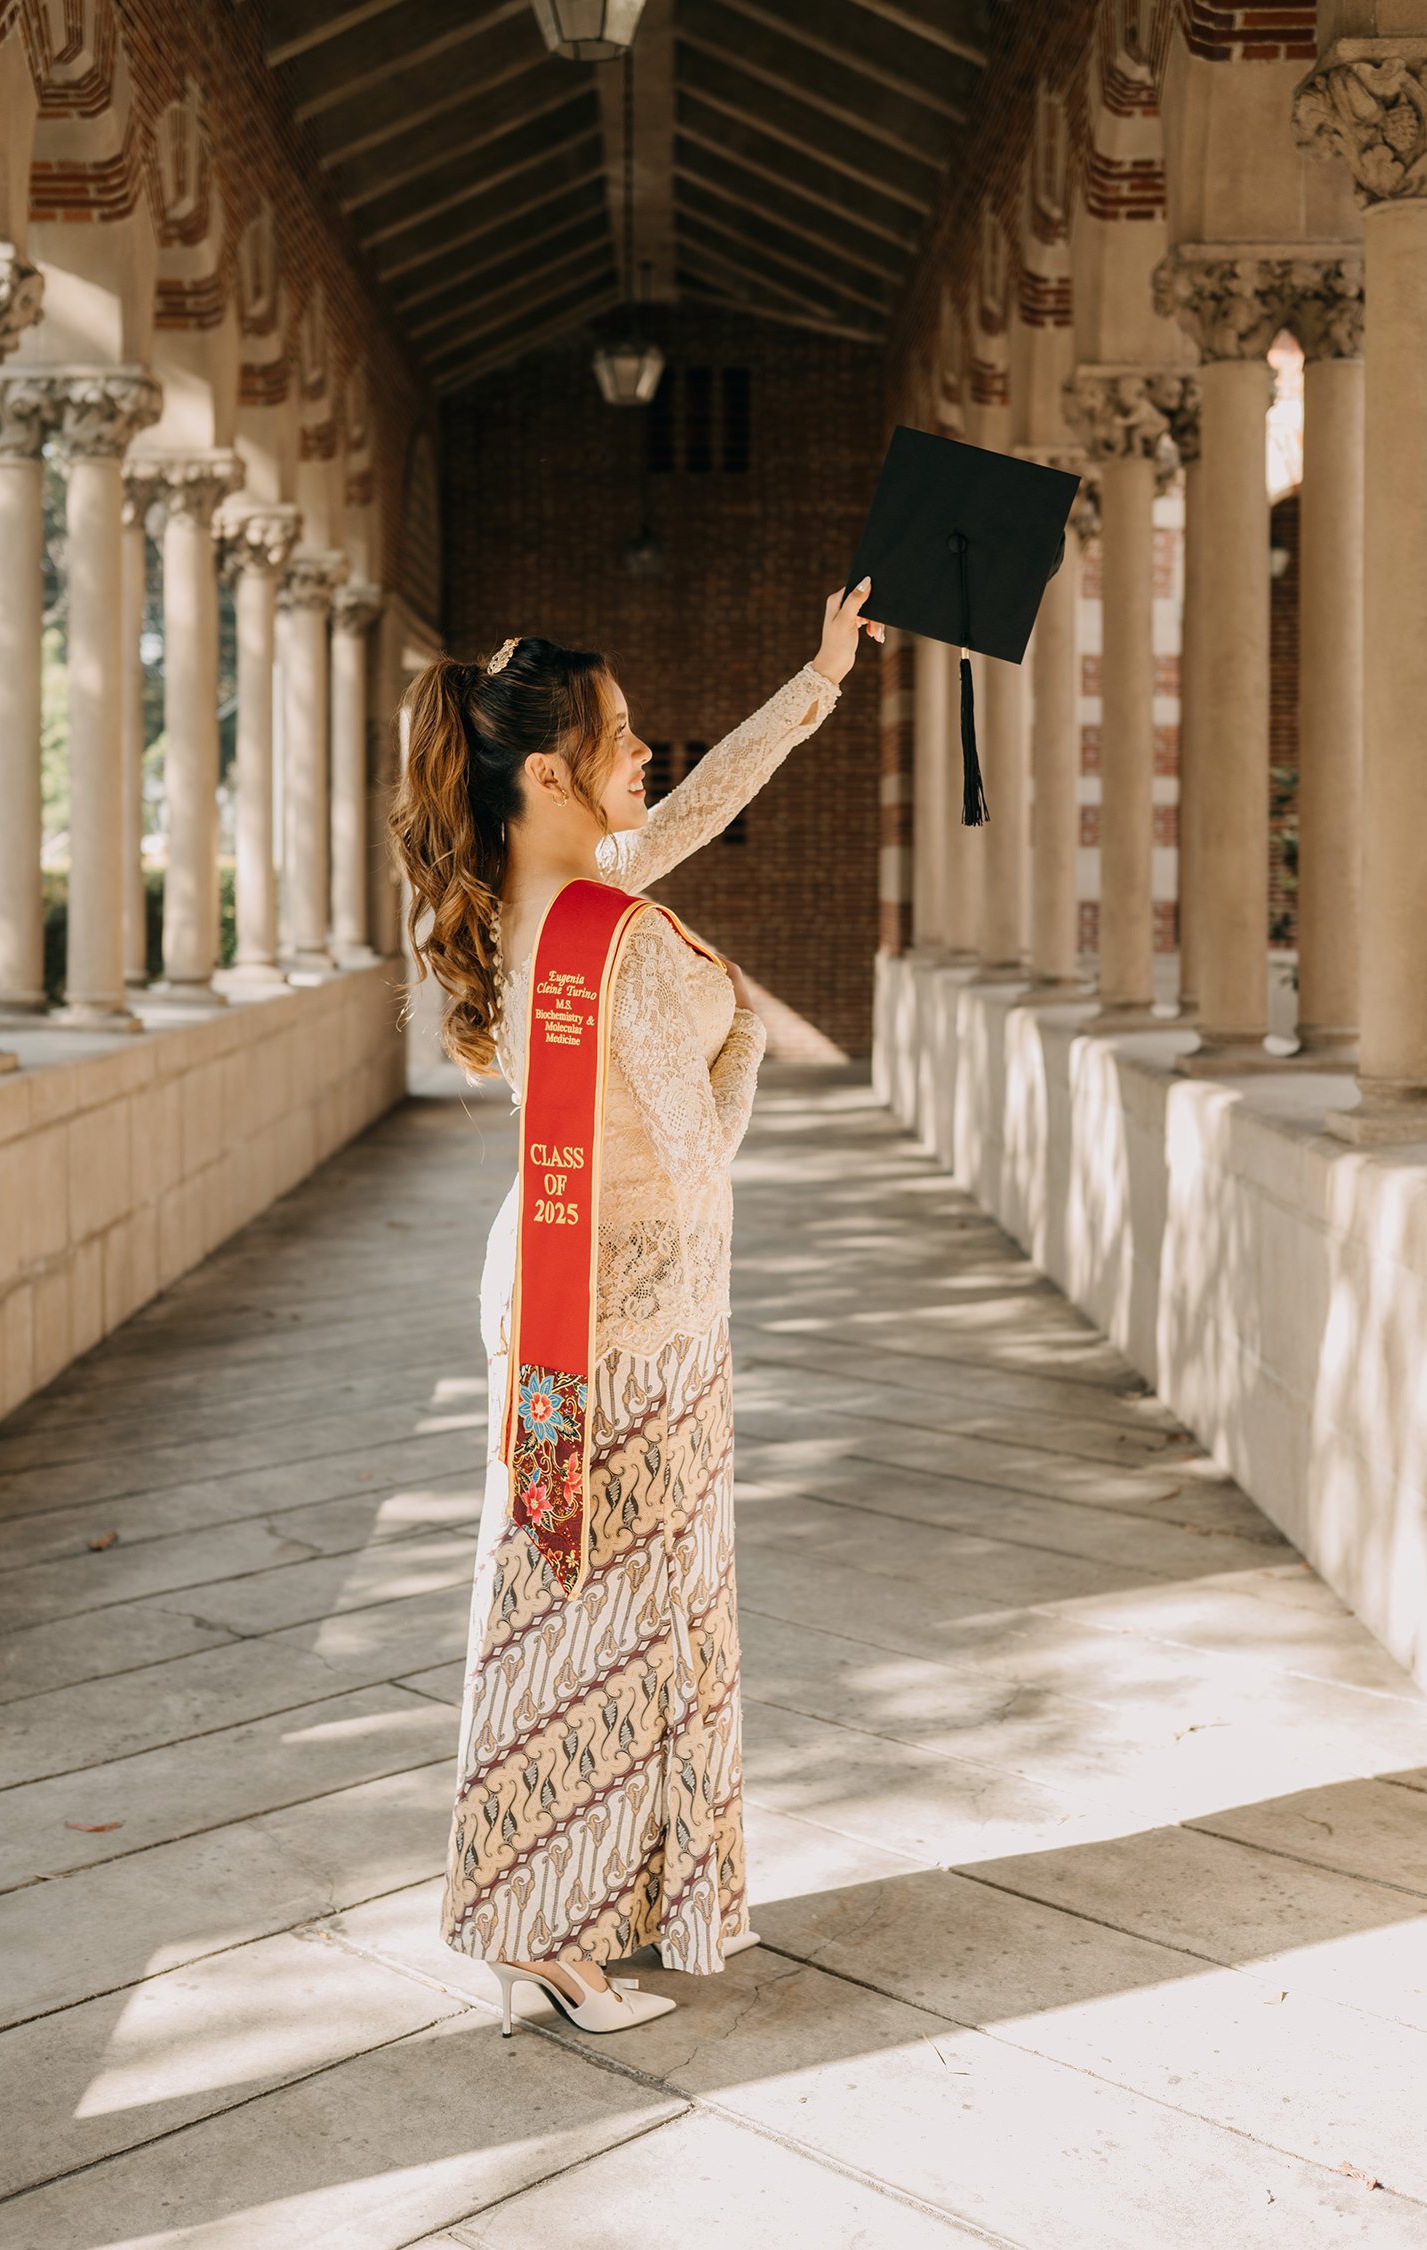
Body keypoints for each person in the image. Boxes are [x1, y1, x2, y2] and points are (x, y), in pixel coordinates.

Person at [388, 578, 879, 2037]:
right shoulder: (613, 931)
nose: (647, 751)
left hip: (553, 1293)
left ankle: (567, 1905)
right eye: (619, 736)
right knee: (611, 1616)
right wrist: (744, 1046)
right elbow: (693, 1146)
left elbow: (700, 808)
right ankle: (552, 1930)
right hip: (634, 1320)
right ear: (550, 775)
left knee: (557, 1599)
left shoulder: (538, 901)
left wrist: (817, 679)